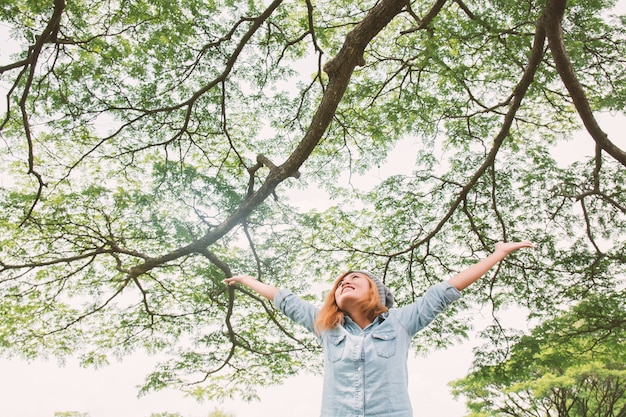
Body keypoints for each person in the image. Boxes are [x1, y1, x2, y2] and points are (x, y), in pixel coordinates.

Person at [224, 240, 533, 417]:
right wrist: (246, 279)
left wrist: (498, 254)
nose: (345, 282)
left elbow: (445, 290)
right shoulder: (325, 327)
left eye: (355, 279)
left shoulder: (401, 322)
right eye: (341, 283)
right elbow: (284, 299)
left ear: (376, 292)